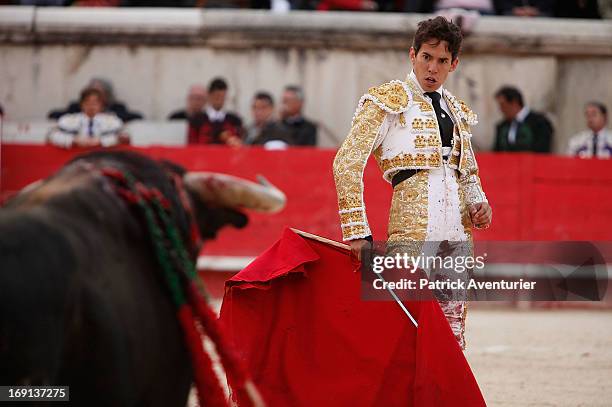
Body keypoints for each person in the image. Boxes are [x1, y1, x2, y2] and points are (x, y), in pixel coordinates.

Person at [332, 16, 491, 350]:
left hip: (458, 230)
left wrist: (479, 203)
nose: (432, 68)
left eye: (442, 61)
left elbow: (468, 171)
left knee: (452, 329)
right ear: (412, 55)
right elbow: (346, 162)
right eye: (426, 58)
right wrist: (356, 230)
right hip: (411, 227)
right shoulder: (386, 101)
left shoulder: (457, 110)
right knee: (403, 323)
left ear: (454, 64)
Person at [48, 87, 128, 149]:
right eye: (87, 102)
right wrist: (73, 140)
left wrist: (101, 141)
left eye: (95, 103)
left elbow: (124, 137)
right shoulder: (69, 120)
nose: (91, 106)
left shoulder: (113, 121)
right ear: (81, 104)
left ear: (102, 106)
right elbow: (51, 136)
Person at [48, 78, 143, 123]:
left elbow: (138, 117)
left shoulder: (117, 109)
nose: (91, 105)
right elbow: (54, 115)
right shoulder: (76, 108)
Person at [493, 86, 553, 153]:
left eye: (503, 105)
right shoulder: (502, 126)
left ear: (514, 103)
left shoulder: (540, 122)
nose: (501, 109)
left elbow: (542, 149)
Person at [188, 77, 243, 147]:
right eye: (217, 96)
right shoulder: (196, 120)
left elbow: (239, 144)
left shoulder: (234, 120)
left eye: (222, 97)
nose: (220, 100)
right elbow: (191, 145)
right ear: (209, 95)